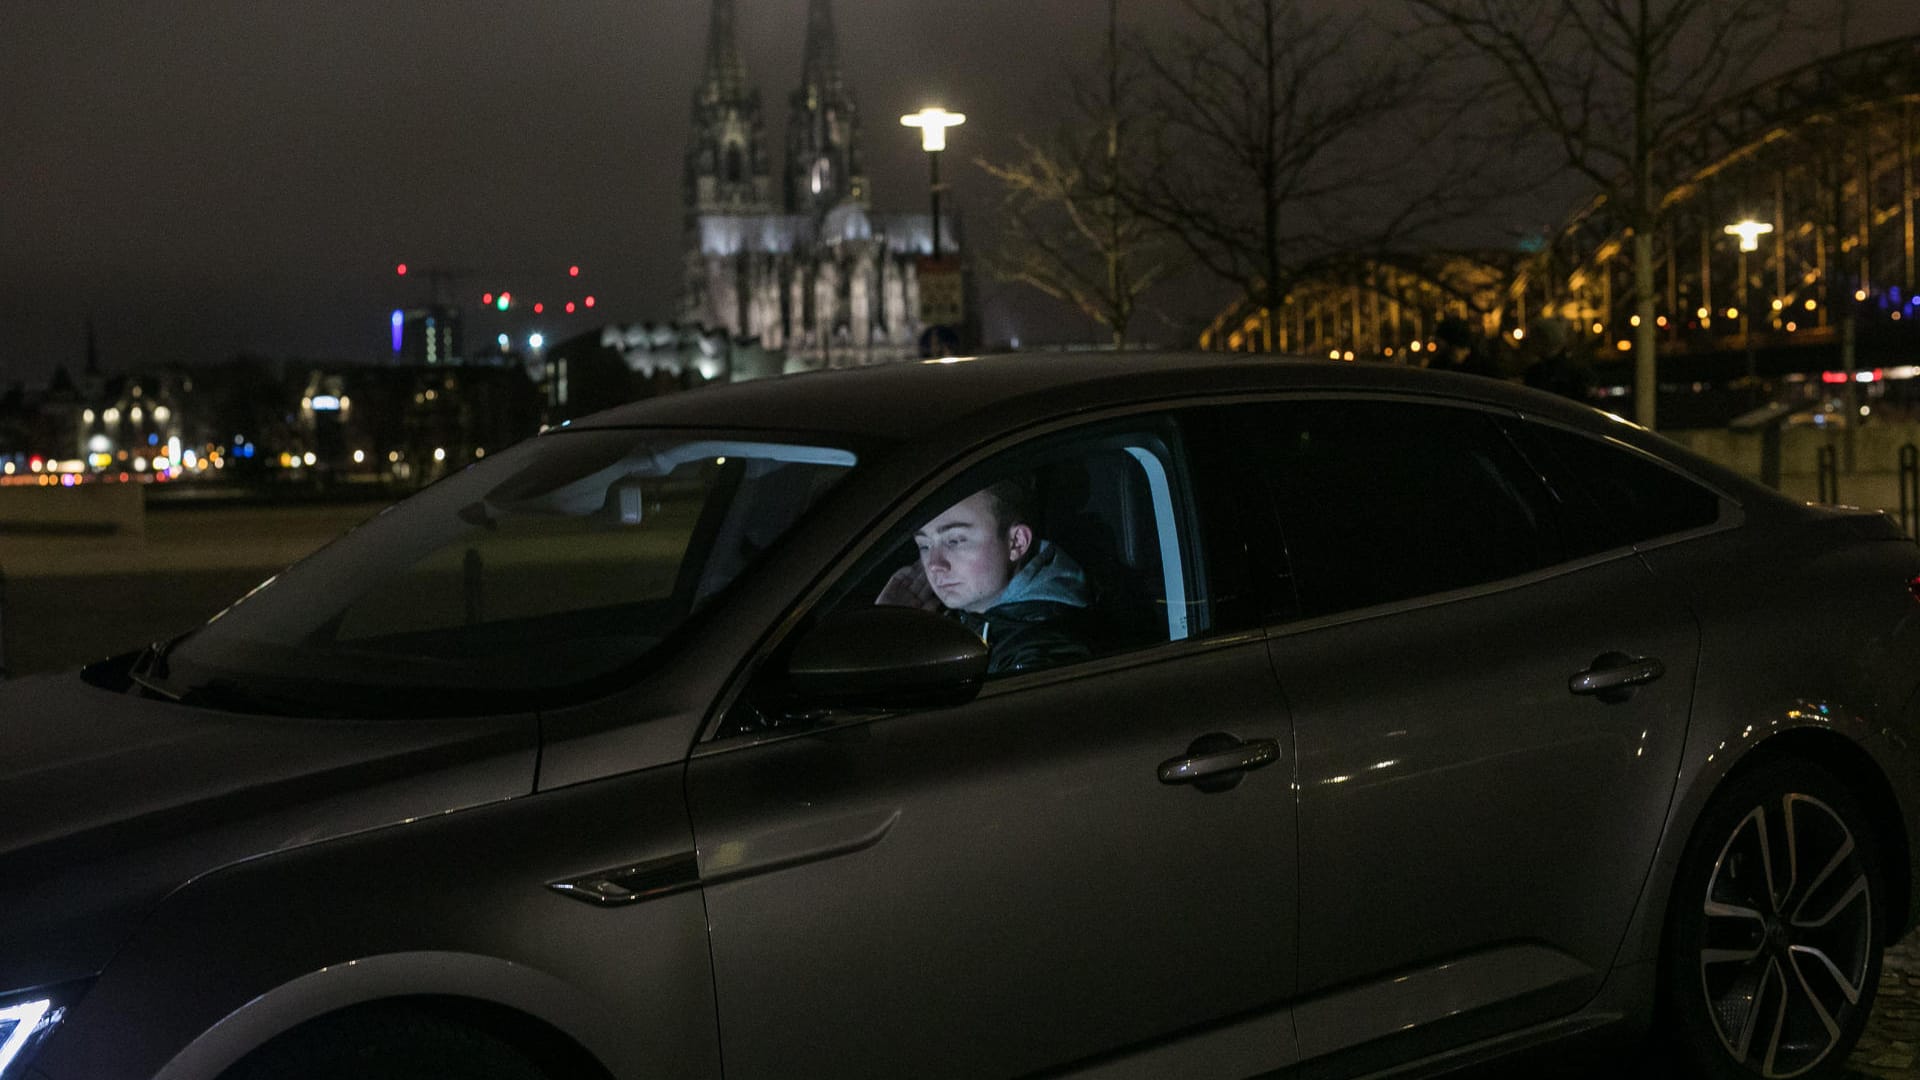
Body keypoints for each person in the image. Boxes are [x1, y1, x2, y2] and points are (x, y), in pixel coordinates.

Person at [876, 478, 1095, 675]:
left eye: (955, 541)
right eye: (924, 545)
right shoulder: (957, 619)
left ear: (1016, 542)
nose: (934, 564)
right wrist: (891, 630)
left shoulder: (1040, 651)